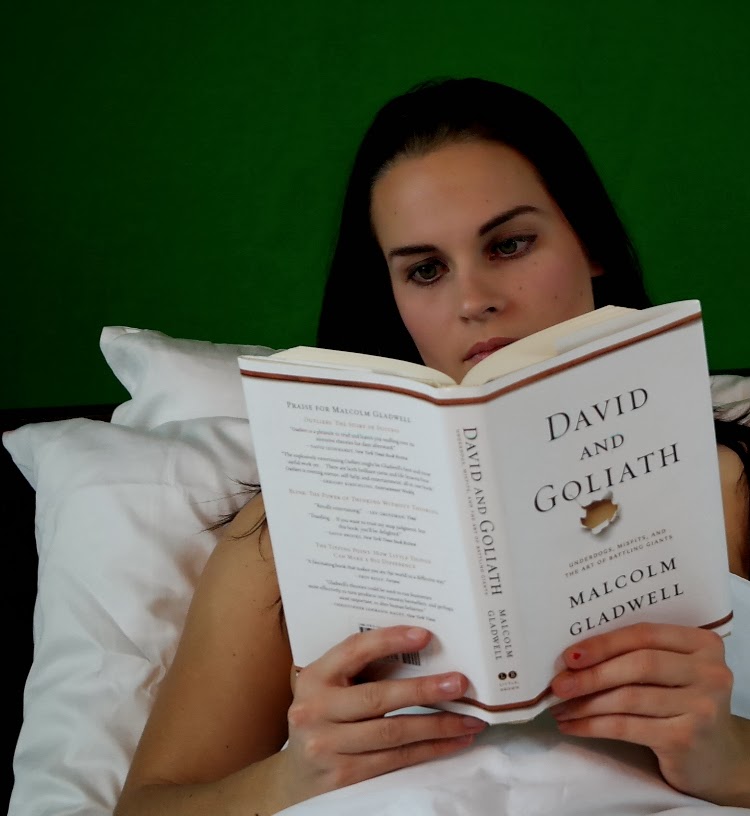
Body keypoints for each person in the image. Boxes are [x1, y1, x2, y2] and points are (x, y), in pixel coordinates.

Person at [114, 77, 750, 815]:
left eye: (509, 244)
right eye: (425, 270)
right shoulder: (288, 530)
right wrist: (290, 780)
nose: (474, 299)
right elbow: (148, 808)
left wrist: (731, 757)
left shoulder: (733, 486)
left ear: (593, 244)